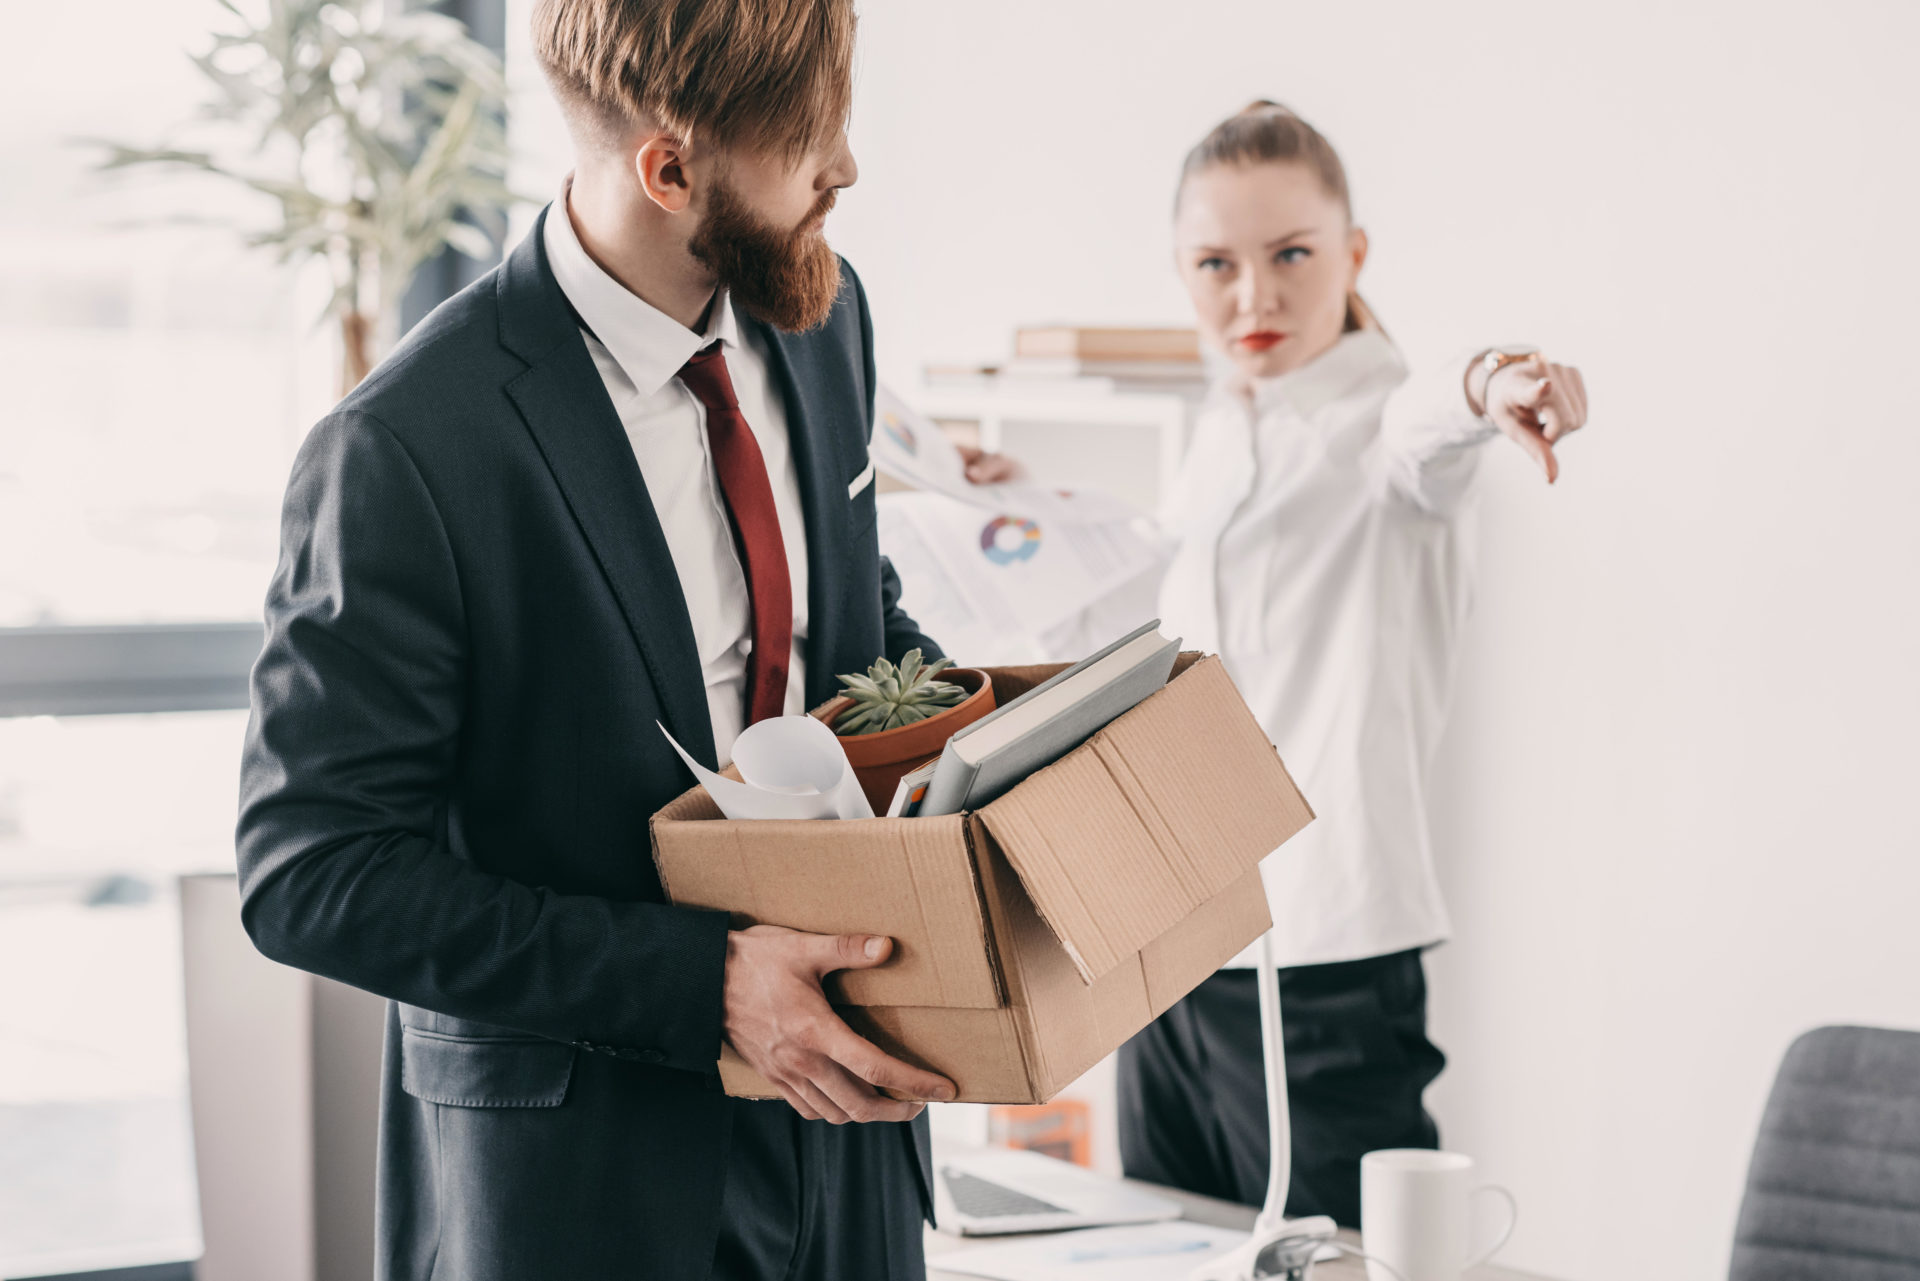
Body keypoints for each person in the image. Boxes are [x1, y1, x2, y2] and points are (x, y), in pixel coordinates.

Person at [234, 2, 958, 1277]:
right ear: (669, 169)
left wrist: (995, 757)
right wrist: (702, 984)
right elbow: (311, 871)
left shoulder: (822, 321)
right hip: (584, 1194)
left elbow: (853, 633)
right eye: (806, 142)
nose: (843, 170)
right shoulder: (408, 447)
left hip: (851, 1155)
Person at [1114, 101, 1592, 1228]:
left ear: (1353, 255)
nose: (1254, 297)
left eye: (1291, 255)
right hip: (1168, 953)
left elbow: (1436, 421)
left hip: (1318, 964)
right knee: (1159, 1251)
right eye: (1215, 264)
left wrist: (1491, 383)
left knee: (1353, 1263)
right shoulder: (1223, 426)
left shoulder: (1384, 426)